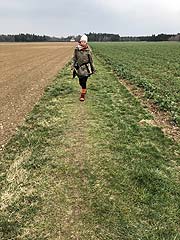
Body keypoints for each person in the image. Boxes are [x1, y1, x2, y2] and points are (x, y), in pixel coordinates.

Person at [72, 34, 95, 101]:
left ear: (86, 42)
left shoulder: (88, 50)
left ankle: (82, 94)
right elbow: (74, 58)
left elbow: (91, 60)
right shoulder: (76, 50)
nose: (83, 43)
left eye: (84, 42)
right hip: (79, 68)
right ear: (80, 42)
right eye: (82, 41)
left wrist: (93, 68)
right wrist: (73, 65)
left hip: (86, 68)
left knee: (84, 80)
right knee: (80, 82)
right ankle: (84, 89)